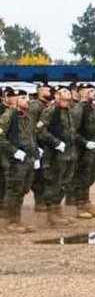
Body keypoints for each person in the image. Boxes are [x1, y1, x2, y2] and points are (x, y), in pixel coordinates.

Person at [35, 86, 77, 226]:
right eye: (64, 91)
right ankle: (51, 213)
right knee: (54, 182)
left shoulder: (68, 111)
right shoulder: (51, 110)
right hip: (54, 155)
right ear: (58, 96)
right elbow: (40, 130)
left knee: (64, 183)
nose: (68, 93)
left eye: (68, 91)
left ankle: (57, 210)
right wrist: (56, 142)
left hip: (68, 154)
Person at [0, 89, 37, 233]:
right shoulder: (8, 116)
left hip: (27, 159)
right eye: (22, 97)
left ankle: (17, 219)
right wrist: (14, 152)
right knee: (14, 191)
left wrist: (36, 156)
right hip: (14, 161)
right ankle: (11, 222)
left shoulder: (26, 117)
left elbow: (31, 138)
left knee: (22, 190)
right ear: (12, 99)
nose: (26, 100)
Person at [70, 83, 95, 218]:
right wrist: (84, 143)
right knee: (81, 178)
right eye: (90, 91)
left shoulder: (92, 108)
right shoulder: (78, 109)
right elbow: (72, 131)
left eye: (94, 91)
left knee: (89, 178)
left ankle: (86, 204)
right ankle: (80, 206)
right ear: (81, 93)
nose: (93, 93)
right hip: (83, 151)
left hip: (94, 150)